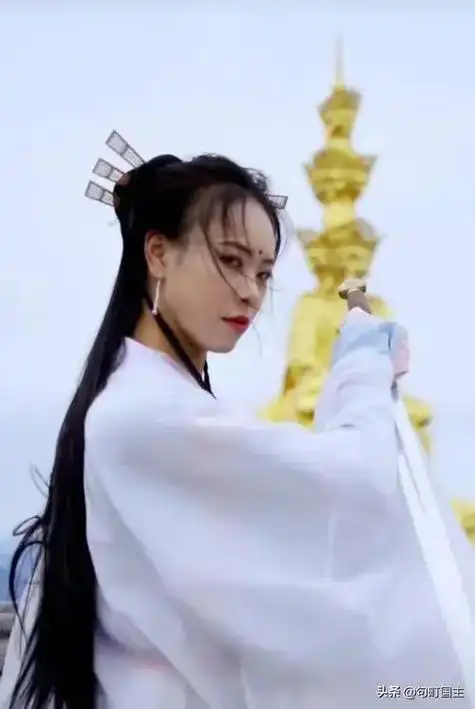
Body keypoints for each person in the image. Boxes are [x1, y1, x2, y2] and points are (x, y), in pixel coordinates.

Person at [0, 153, 469, 709]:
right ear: (158, 253)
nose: (251, 291)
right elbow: (356, 482)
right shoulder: (141, 414)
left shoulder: (144, 400)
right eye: (231, 260)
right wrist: (362, 369)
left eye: (264, 273)